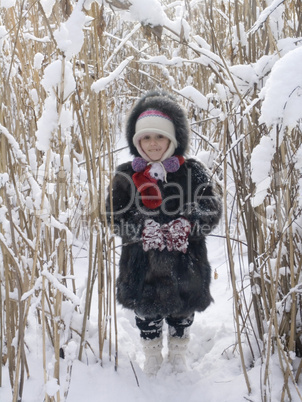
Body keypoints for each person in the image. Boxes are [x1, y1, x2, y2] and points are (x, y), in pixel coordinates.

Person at [106, 90, 222, 376]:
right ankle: (152, 353)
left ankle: (179, 352)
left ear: (173, 139)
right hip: (141, 263)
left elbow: (211, 207)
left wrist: (189, 225)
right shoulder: (125, 175)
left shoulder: (193, 171)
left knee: (183, 310)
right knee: (146, 311)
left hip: (187, 262)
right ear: (137, 142)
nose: (153, 144)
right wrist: (142, 229)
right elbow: (114, 214)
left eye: (159, 137)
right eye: (146, 138)